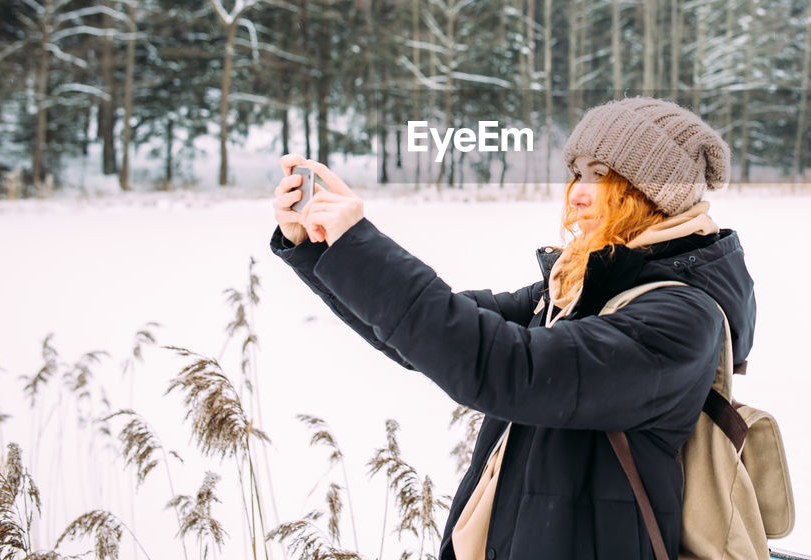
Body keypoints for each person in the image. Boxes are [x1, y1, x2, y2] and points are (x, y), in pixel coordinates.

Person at [269, 96, 758, 560]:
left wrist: (359, 248)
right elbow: (426, 335)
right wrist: (321, 250)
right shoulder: (574, 290)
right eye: (578, 173)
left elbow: (507, 368)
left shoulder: (678, 318)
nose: (579, 193)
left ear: (651, 192)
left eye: (603, 176)